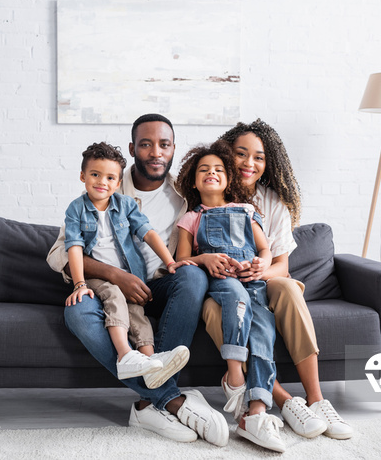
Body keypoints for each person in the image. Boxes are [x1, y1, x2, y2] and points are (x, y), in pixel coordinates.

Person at [47, 114, 229, 446]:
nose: (155, 152)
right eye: (146, 144)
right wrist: (115, 274)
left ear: (174, 149)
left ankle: (153, 399)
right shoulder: (108, 184)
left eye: (164, 144)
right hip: (109, 286)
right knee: (76, 311)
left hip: (158, 286)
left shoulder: (185, 196)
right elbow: (58, 253)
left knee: (191, 275)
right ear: (133, 149)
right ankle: (166, 400)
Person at [201, 119, 354, 440]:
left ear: (268, 164)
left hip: (265, 280)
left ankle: (317, 399)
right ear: (226, 154)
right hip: (224, 287)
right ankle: (284, 400)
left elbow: (281, 265)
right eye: (241, 154)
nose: (249, 163)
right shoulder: (210, 191)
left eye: (258, 157)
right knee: (221, 310)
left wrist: (259, 270)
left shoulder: (273, 203)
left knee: (285, 286)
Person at [174, 141, 285, 453]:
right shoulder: (190, 218)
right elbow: (181, 260)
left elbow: (264, 248)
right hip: (222, 280)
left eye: (218, 169)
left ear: (229, 178)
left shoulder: (247, 211)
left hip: (253, 280)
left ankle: (259, 408)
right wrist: (204, 259)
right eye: (203, 169)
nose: (211, 172)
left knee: (263, 329)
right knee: (237, 299)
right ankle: (234, 373)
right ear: (193, 181)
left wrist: (263, 262)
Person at [63, 142, 192, 389]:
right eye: (95, 174)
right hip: (99, 278)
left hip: (130, 273)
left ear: (118, 181)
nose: (102, 181)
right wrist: (79, 284)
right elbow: (74, 247)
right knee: (113, 296)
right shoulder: (76, 209)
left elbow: (149, 234)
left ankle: (151, 362)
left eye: (110, 177)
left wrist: (170, 262)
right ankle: (125, 356)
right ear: (83, 176)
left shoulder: (126, 205)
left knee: (137, 312)